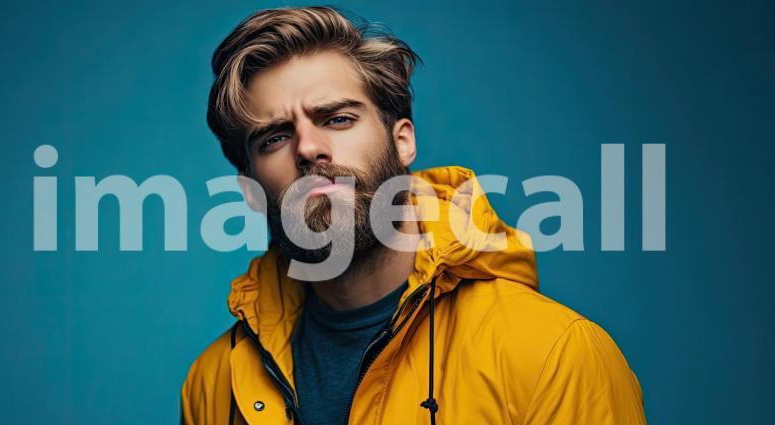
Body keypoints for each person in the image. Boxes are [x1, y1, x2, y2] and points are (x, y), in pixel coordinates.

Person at [181, 6, 646, 425]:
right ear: (251, 190)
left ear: (403, 141)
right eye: (275, 138)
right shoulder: (213, 383)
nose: (308, 148)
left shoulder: (553, 354)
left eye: (338, 118)